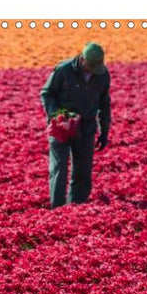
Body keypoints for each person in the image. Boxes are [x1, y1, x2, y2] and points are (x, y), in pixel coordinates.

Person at [40, 42, 112, 208]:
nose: (93, 70)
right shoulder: (64, 70)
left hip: (86, 128)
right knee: (59, 170)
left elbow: (104, 104)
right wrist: (57, 115)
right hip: (61, 128)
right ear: (82, 59)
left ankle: (76, 209)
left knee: (83, 172)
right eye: (90, 66)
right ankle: (57, 209)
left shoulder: (102, 75)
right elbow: (47, 93)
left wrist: (104, 131)